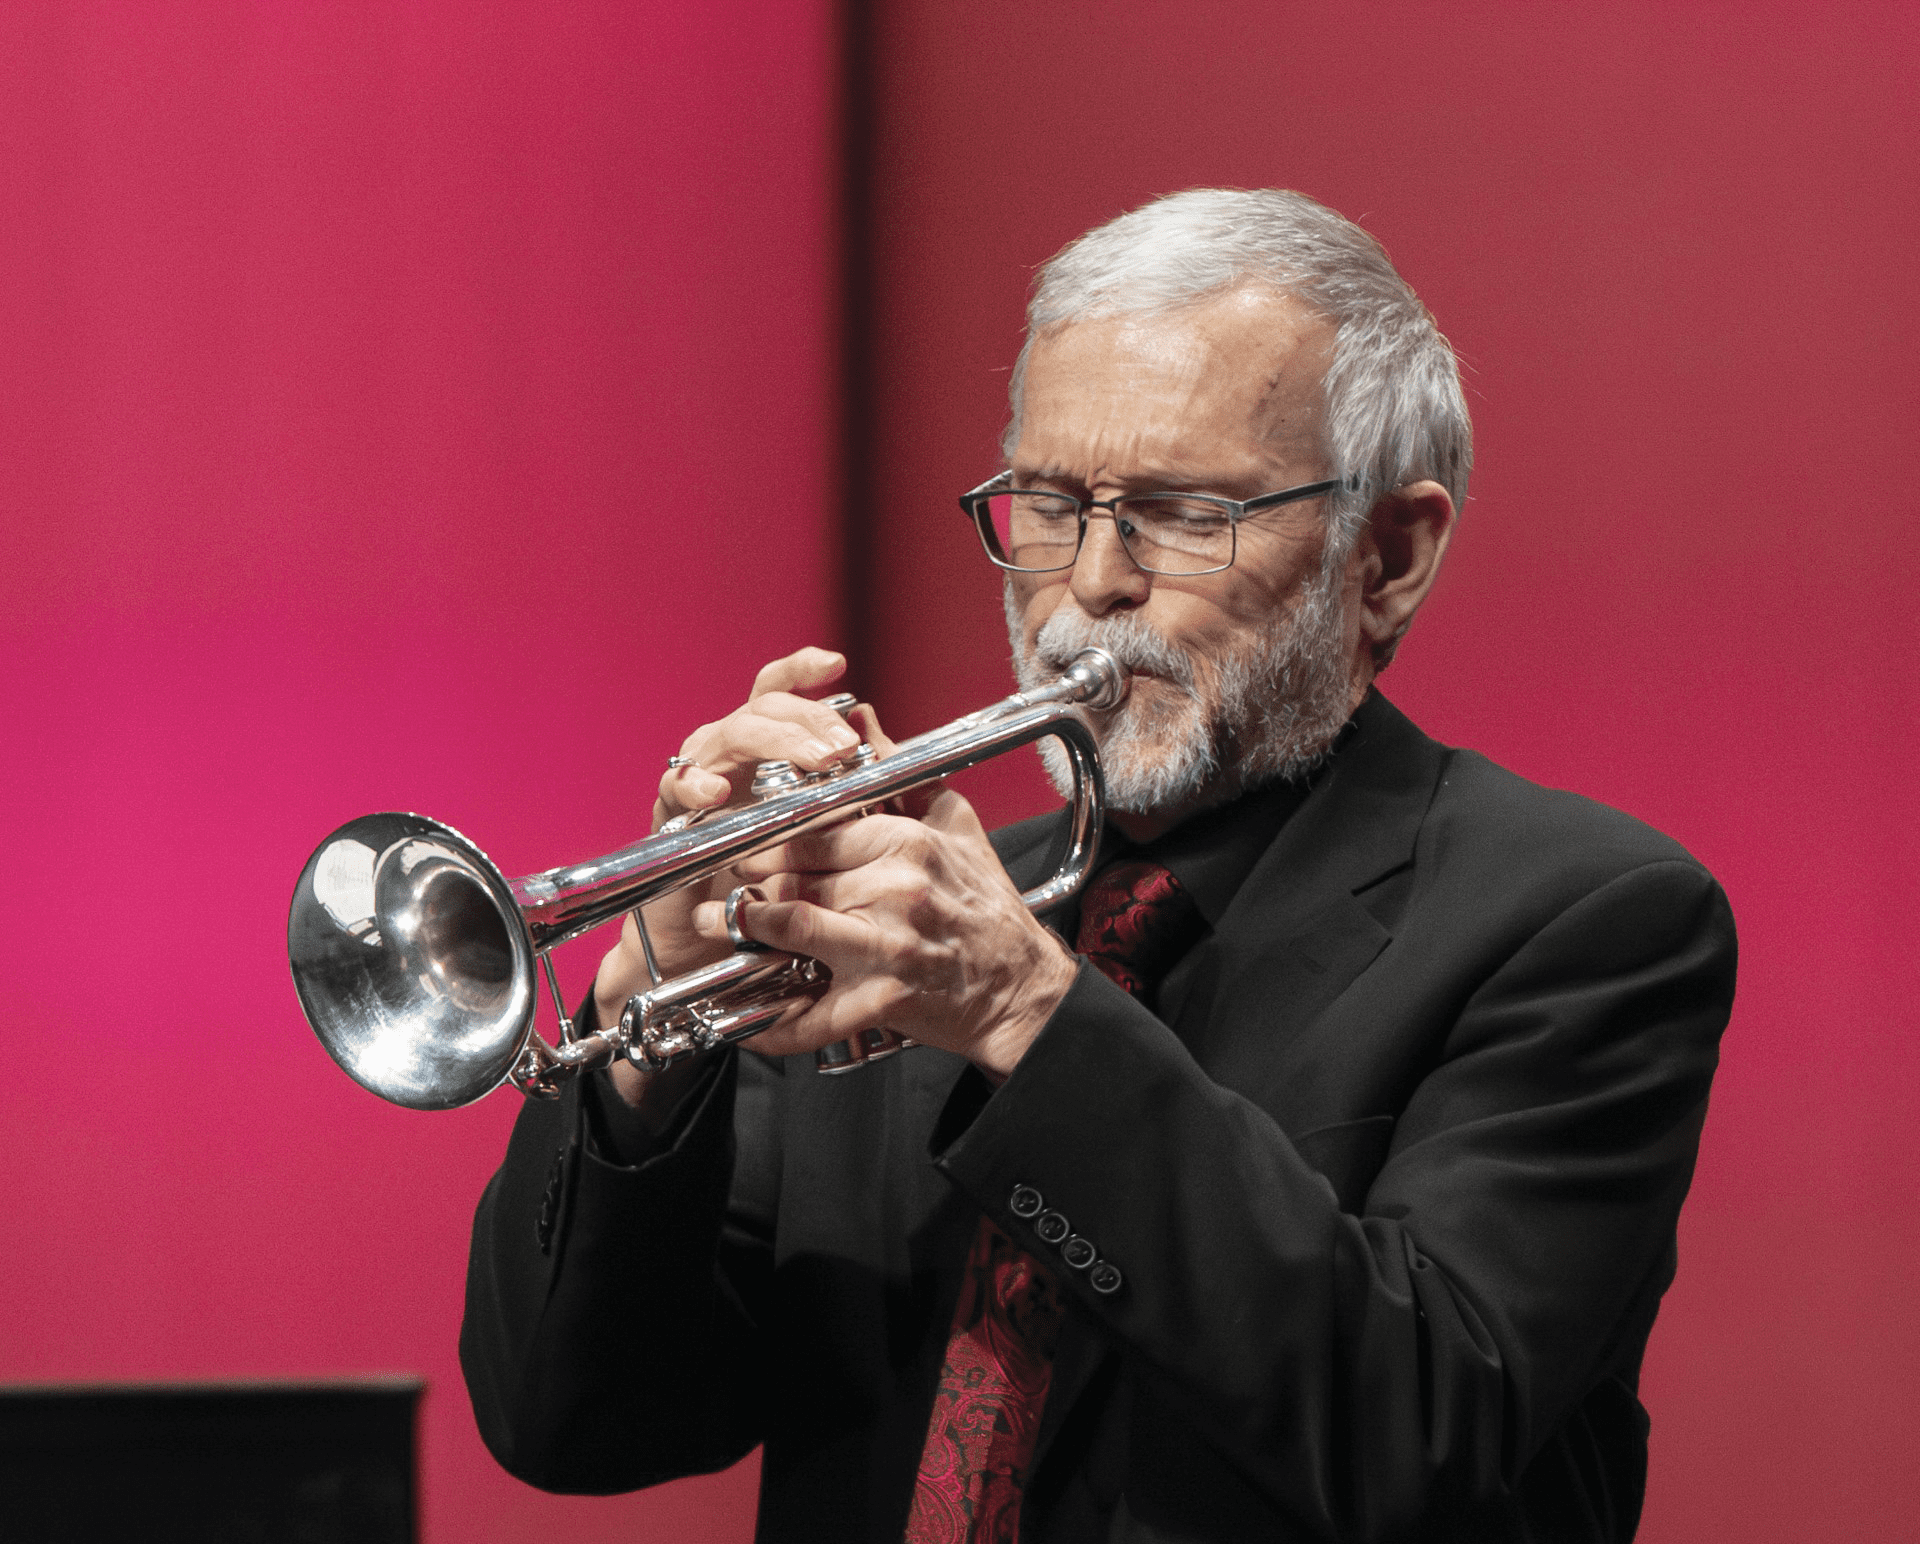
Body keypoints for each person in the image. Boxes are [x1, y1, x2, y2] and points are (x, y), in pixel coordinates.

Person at [459, 188, 1736, 1544]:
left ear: (1389, 555)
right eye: (1051, 506)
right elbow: (574, 1421)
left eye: (1183, 513)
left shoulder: (1587, 922)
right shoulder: (904, 922)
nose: (1091, 585)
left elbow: (1422, 1434)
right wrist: (654, 1010)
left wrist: (1028, 1016)